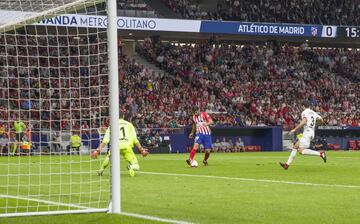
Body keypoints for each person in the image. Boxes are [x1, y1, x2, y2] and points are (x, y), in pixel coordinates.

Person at [92, 111, 149, 177]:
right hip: (126, 146)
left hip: (116, 146)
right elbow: (135, 139)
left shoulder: (112, 126)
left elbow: (105, 141)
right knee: (136, 165)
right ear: (123, 116)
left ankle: (100, 171)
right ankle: (131, 167)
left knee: (109, 156)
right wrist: (142, 150)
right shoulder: (129, 125)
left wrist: (97, 150)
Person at [280, 101, 327, 170]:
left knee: (301, 151)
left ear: (303, 106)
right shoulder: (313, 112)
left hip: (307, 133)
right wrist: (315, 124)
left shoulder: (304, 112)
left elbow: (304, 121)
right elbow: (321, 120)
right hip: (311, 132)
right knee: (295, 146)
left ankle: (321, 154)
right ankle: (287, 165)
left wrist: (295, 129)